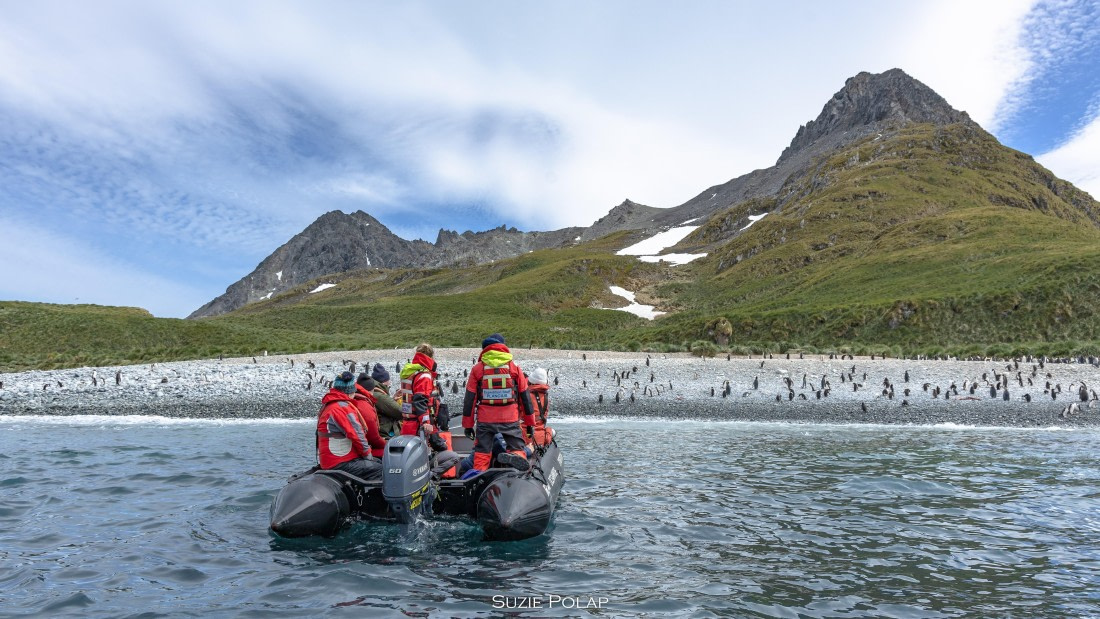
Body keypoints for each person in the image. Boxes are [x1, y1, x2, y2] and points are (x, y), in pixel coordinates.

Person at [461, 333, 537, 472]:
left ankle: (479, 476)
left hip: (485, 420)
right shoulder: (514, 368)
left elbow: (469, 400)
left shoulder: (477, 369)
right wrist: (530, 424)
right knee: (516, 447)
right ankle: (516, 468)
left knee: (482, 453)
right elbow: (525, 398)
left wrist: (468, 425)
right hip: (510, 418)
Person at [316, 371, 385, 480]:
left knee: (376, 462)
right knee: (381, 469)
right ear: (350, 391)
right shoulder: (343, 408)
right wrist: (368, 457)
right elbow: (357, 435)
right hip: (339, 463)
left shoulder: (330, 405)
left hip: (330, 461)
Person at [397, 343, 448, 452]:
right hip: (418, 424)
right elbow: (420, 400)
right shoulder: (424, 375)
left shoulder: (410, 371)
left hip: (407, 422)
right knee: (428, 452)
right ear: (431, 356)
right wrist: (426, 422)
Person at [359, 363, 402, 437]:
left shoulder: (375, 392)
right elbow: (400, 412)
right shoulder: (379, 396)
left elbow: (385, 406)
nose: (390, 382)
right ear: (385, 381)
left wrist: (392, 400)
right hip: (385, 433)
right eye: (389, 379)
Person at [526, 367, 555, 447]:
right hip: (540, 439)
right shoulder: (546, 398)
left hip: (524, 437)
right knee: (550, 430)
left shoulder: (525, 396)